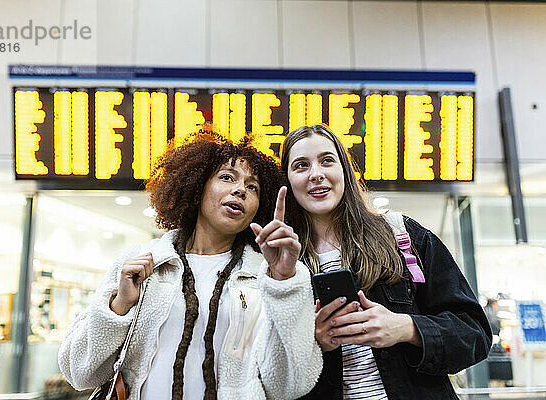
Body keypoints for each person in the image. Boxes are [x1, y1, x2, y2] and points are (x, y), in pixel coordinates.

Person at [58, 132, 322, 400]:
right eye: (227, 177)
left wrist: (284, 282)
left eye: (252, 187)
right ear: (197, 187)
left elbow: (289, 386)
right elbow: (79, 372)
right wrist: (119, 306)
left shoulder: (264, 277)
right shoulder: (143, 264)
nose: (241, 190)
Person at [280, 125, 492, 399]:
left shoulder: (404, 236)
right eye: (300, 166)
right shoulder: (281, 262)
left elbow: (474, 334)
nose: (316, 174)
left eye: (327, 160)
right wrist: (313, 343)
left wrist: (406, 328)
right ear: (287, 180)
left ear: (344, 170)